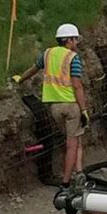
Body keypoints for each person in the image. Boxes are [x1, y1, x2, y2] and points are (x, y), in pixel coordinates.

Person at [13, 24, 89, 195]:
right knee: (72, 144)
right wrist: (83, 110)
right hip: (71, 106)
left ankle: (79, 171)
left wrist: (20, 78)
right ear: (68, 40)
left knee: (74, 140)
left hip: (54, 107)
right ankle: (66, 183)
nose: (77, 42)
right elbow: (77, 86)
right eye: (75, 39)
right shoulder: (73, 58)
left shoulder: (47, 54)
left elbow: (33, 69)